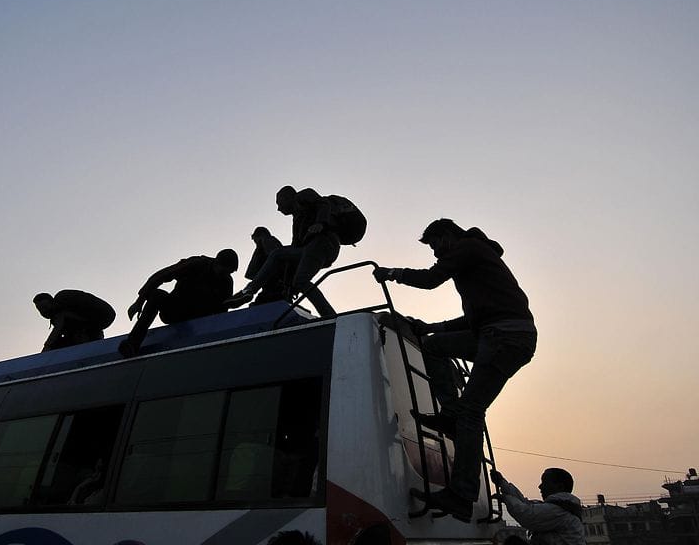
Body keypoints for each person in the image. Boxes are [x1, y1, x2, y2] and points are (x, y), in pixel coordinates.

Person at [373, 218, 536, 520]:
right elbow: (472, 321)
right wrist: (432, 328)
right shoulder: (478, 264)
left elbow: (431, 279)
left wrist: (392, 274)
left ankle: (461, 494)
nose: (435, 254)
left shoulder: (468, 247)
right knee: (434, 346)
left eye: (435, 245)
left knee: (471, 412)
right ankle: (449, 414)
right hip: (499, 333)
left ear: (447, 236)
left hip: (503, 336)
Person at [225, 186, 345, 317]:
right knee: (281, 258)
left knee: (300, 280)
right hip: (310, 250)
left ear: (287, 197)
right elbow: (293, 252)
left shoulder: (303, 195)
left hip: (323, 243)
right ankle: (249, 291)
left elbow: (323, 203)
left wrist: (320, 223)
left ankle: (331, 317)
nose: (278, 208)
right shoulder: (297, 222)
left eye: (279, 203)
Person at [118, 249, 238, 357]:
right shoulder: (196, 264)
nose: (225, 275)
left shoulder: (226, 281)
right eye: (223, 271)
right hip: (176, 309)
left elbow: (223, 309)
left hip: (199, 317)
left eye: (229, 273)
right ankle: (132, 343)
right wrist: (139, 301)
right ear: (217, 263)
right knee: (157, 295)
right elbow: (161, 276)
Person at [490, 468, 585, 545]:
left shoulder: (559, 511)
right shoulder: (561, 506)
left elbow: (527, 514)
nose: (540, 486)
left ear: (559, 487)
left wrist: (506, 499)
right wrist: (503, 484)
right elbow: (526, 504)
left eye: (545, 482)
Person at [34, 290, 116, 352]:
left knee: (58, 342)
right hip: (98, 321)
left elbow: (57, 329)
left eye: (45, 307)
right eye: (40, 309)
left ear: (51, 302)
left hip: (99, 318)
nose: (44, 311)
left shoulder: (60, 306)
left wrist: (46, 349)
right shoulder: (63, 308)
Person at [244, 226, 290, 304]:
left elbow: (275, 260)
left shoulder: (267, 240)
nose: (254, 241)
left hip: (274, 283)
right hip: (269, 284)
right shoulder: (264, 244)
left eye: (254, 238)